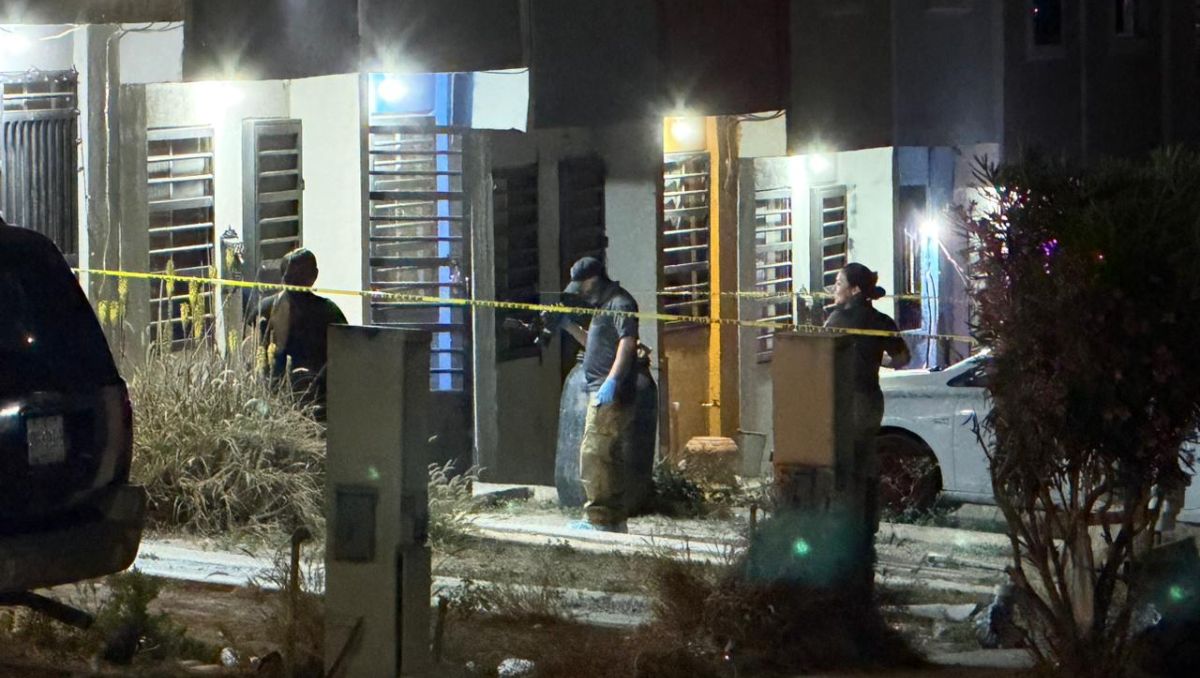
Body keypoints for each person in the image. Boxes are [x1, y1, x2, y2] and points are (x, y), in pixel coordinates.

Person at [824, 262, 911, 591]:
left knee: (842, 462)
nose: (834, 288)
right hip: (872, 400)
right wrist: (878, 359)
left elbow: (821, 359)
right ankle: (864, 520)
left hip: (846, 402)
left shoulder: (836, 320)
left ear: (854, 289)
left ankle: (843, 522)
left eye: (838, 283)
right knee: (864, 460)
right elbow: (903, 358)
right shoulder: (881, 321)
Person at [561, 257, 639, 532]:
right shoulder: (602, 307)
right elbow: (593, 342)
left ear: (592, 280)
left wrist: (612, 381)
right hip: (599, 388)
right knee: (607, 457)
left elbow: (627, 344)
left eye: (581, 286)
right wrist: (568, 326)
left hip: (610, 393)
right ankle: (613, 519)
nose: (580, 292)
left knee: (594, 454)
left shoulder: (620, 303)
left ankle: (599, 519)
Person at [251, 248, 347, 407]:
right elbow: (346, 352)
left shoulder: (265, 308)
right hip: (317, 400)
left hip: (276, 401)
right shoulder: (329, 311)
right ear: (314, 276)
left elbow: (249, 356)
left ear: (282, 278)